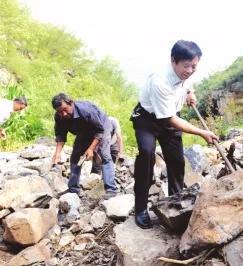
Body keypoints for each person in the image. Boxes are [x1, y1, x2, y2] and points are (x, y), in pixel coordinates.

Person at [131, 40, 219, 229]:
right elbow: (169, 119)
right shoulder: (159, 80)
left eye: (194, 66)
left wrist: (190, 92)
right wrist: (202, 132)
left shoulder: (188, 71)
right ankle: (140, 208)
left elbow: (188, 82)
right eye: (186, 66)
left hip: (171, 116)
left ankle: (176, 204)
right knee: (146, 156)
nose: (190, 70)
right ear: (173, 61)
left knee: (177, 161)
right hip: (148, 119)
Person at [51, 93, 118, 199]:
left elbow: (99, 131)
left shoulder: (86, 110)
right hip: (83, 131)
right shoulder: (59, 117)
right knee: (75, 157)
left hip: (101, 127)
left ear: (71, 103)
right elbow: (61, 135)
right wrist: (57, 153)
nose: (63, 114)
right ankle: (73, 189)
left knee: (105, 155)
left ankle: (111, 190)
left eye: (65, 109)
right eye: (59, 111)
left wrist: (91, 149)